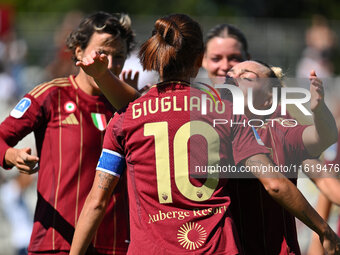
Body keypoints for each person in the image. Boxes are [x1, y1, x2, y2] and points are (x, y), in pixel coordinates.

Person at [70, 14, 340, 255]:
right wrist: (324, 231)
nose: (228, 70)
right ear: (201, 60)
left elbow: (96, 201)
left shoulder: (125, 117)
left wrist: (104, 77)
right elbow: (276, 184)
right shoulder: (223, 112)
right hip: (213, 246)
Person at [0, 11, 138, 254]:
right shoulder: (51, 95)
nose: (111, 63)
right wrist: (12, 156)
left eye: (119, 56)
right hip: (56, 243)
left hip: (114, 246)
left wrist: (133, 102)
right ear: (78, 51)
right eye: (103, 52)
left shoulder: (131, 107)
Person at [224, 60, 340, 254]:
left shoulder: (281, 129)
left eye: (246, 78)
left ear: (268, 99)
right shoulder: (210, 126)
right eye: (230, 74)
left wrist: (319, 109)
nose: (232, 78)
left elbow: (324, 137)